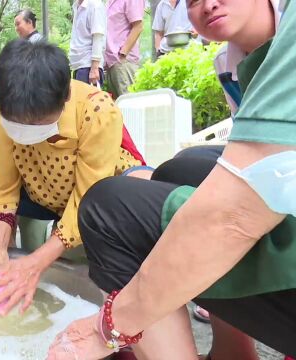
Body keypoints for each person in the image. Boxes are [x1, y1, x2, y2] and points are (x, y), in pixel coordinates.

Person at [47, 0, 296, 359]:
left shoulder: (94, 108)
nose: (207, 5)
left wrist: (109, 326)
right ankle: (234, 352)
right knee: (180, 169)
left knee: (108, 208)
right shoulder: (229, 63)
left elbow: (235, 212)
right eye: (192, 1)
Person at [0, 39, 146, 318]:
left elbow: (87, 196)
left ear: (64, 97)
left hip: (96, 201)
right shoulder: (8, 106)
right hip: (42, 191)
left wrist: (37, 264)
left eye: (35, 124)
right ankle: (12, 258)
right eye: (15, 123)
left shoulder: (96, 111)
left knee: (123, 198)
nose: (22, 132)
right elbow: (5, 184)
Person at [105, 0, 145, 98]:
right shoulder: (109, 2)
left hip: (123, 61)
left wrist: (123, 53)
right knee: (117, 106)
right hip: (111, 62)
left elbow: (138, 26)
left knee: (128, 104)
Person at [69, 0, 107, 86]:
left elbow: (98, 37)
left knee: (87, 99)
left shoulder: (94, 5)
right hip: (78, 66)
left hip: (88, 66)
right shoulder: (77, 5)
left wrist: (94, 68)